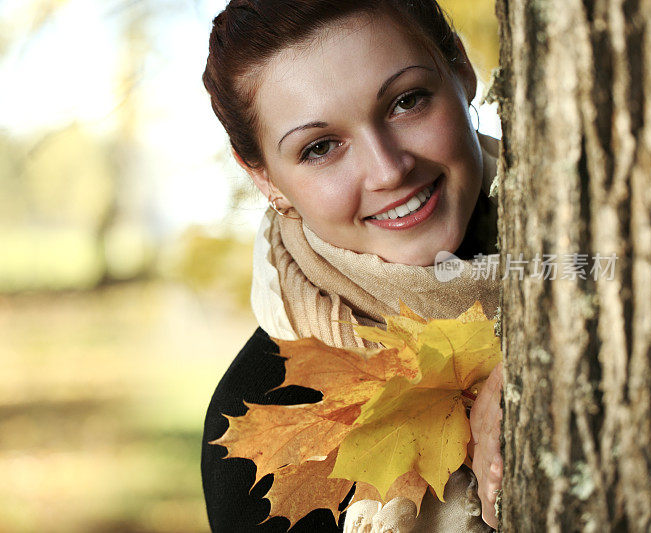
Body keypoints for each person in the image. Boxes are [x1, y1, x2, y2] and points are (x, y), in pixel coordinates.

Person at [200, 1, 504, 531]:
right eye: (320, 148)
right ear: (264, 178)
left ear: (460, 67)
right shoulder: (266, 419)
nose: (389, 170)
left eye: (407, 101)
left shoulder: (621, 248)